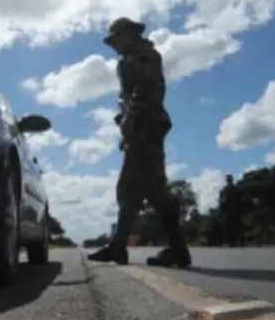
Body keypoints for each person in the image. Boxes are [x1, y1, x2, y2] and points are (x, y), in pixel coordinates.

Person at [87, 17, 192, 267]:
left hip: (145, 126)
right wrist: (124, 118)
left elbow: (146, 88)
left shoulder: (145, 55)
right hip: (138, 127)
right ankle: (123, 246)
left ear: (130, 34)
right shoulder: (130, 59)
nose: (113, 45)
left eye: (116, 39)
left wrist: (131, 117)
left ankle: (167, 249)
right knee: (141, 189)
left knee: (142, 188)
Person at [218, 174, 244, 247]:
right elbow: (221, 201)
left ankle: (232, 241)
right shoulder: (230, 189)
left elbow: (221, 201)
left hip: (231, 210)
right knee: (232, 226)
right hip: (231, 210)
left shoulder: (227, 189)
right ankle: (232, 241)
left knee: (231, 226)